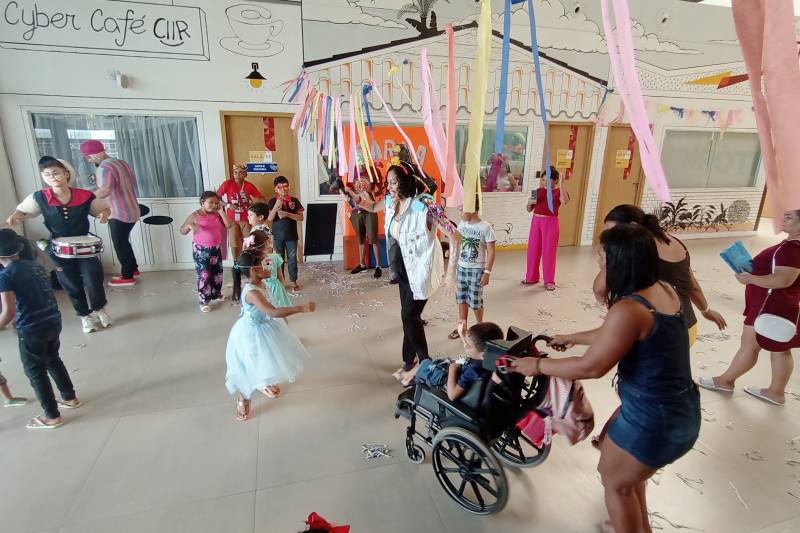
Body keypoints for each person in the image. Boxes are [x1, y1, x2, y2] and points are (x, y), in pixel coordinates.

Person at [511, 224, 700, 533]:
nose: (597, 262)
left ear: (620, 262)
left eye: (602, 257)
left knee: (616, 483)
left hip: (655, 419)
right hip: (679, 408)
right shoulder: (663, 289)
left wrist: (538, 365)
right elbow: (614, 333)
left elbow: (591, 367)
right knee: (629, 480)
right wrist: (573, 337)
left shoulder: (630, 309)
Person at [361, 161, 459, 386]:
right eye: (388, 182)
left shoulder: (423, 204)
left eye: (394, 182)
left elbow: (455, 235)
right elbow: (372, 206)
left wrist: (450, 274)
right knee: (409, 315)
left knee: (409, 316)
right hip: (403, 266)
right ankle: (408, 361)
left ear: (405, 181)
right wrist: (352, 197)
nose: (390, 187)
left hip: (422, 268)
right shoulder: (391, 201)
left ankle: (425, 363)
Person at [699, 210, 800, 407]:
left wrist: (750, 279)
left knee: (750, 346)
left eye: (789, 217)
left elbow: (783, 280)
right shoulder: (791, 246)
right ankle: (776, 392)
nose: (783, 219)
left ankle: (725, 381)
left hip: (768, 306)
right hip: (782, 304)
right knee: (780, 349)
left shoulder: (791, 249)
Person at [6, 157, 113, 334]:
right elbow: (22, 210)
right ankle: (84, 315)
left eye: (55, 173)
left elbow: (103, 209)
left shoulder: (84, 195)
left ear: (66, 173)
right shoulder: (40, 197)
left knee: (93, 277)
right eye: (47, 174)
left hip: (84, 246)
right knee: (70, 282)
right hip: (59, 247)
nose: (52, 177)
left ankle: (99, 308)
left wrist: (104, 214)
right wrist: (16, 215)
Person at [596, 204, 727, 345]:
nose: (611, 237)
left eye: (614, 231)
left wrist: (607, 301)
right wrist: (706, 311)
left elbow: (599, 289)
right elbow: (692, 286)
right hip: (688, 329)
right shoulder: (676, 242)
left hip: (657, 333)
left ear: (633, 225)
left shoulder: (636, 250)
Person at [0, 229, 81, 429]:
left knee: (35, 371)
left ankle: (52, 416)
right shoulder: (35, 266)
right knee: (53, 359)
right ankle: (70, 397)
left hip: (31, 328)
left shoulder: (5, 275)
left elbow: (8, 312)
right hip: (53, 321)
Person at [225, 249, 316, 421]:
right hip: (251, 333)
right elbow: (273, 312)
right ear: (255, 269)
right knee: (250, 367)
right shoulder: (252, 292)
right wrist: (301, 308)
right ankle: (244, 398)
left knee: (266, 360)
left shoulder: (260, 283)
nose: (270, 267)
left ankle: (262, 383)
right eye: (266, 264)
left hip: (264, 327)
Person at [80, 140, 141, 287]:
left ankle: (127, 276)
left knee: (120, 243)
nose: (89, 160)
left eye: (89, 157)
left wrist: (85, 198)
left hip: (118, 211)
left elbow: (105, 190)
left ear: (96, 154)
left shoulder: (104, 168)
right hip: (132, 208)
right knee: (124, 241)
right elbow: (132, 182)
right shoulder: (121, 163)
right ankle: (132, 269)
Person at [448, 195, 497, 340]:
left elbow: (491, 251)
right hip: (461, 268)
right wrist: (451, 251)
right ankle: (462, 326)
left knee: (475, 301)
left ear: (471, 209)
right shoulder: (462, 224)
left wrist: (487, 272)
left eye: (461, 210)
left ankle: (480, 328)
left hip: (476, 270)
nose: (459, 213)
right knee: (461, 298)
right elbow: (458, 242)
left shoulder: (485, 227)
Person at [179, 191, 233, 313]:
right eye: (210, 202)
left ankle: (216, 294)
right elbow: (182, 231)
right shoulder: (195, 215)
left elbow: (229, 225)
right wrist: (189, 226)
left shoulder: (217, 214)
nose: (214, 205)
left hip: (216, 248)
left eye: (216, 203)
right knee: (205, 275)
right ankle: (204, 301)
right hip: (200, 250)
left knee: (217, 274)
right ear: (202, 202)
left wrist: (221, 211)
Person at [522, 167, 569, 291]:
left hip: (551, 222)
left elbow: (564, 201)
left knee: (549, 252)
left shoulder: (558, 192)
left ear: (555, 180)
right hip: (536, 221)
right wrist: (529, 202)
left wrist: (562, 184)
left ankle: (549, 280)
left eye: (548, 180)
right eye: (543, 180)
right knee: (533, 250)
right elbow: (528, 209)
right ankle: (531, 277)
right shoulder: (537, 191)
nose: (545, 183)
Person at [341, 167, 383, 278]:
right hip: (357, 210)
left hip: (370, 209)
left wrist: (371, 195)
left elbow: (380, 190)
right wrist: (346, 195)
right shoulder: (352, 172)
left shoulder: (373, 170)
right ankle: (362, 264)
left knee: (373, 238)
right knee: (360, 237)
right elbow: (347, 190)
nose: (361, 162)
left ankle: (378, 266)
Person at [217, 164, 264, 262]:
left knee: (248, 241)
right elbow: (216, 198)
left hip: (245, 218)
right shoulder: (227, 184)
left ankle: (247, 261)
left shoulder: (249, 185)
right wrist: (228, 205)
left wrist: (255, 207)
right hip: (231, 219)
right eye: (235, 172)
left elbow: (261, 198)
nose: (237, 175)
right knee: (234, 242)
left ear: (245, 174)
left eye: (241, 173)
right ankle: (236, 262)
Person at [446, 321, 503, 401]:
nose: (465, 345)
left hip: (449, 384)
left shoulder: (473, 369)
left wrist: (452, 368)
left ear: (483, 355)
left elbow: (452, 396)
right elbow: (473, 346)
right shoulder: (495, 358)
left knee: (429, 365)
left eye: (468, 346)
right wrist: (462, 334)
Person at [267, 176, 304, 291]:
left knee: (292, 259)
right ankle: (281, 281)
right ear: (276, 189)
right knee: (279, 260)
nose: (283, 189)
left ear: (289, 187)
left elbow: (301, 218)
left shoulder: (294, 200)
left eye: (285, 186)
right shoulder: (272, 201)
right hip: (277, 236)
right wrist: (276, 206)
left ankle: (293, 281)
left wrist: (288, 214)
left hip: (291, 235)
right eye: (279, 187)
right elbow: (270, 218)